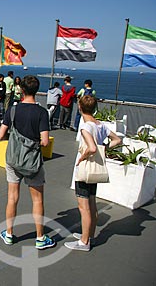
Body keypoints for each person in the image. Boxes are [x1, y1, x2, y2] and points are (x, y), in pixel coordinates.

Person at [0, 75, 56, 250]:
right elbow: (45, 141)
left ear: (21, 90)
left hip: (14, 159)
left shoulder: (13, 110)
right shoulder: (41, 112)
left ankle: (8, 234)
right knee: (37, 200)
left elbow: (1, 135)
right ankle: (40, 238)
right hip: (32, 161)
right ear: (37, 91)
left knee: (12, 198)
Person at [65, 95, 121, 251]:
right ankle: (89, 235)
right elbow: (117, 140)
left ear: (80, 108)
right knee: (92, 202)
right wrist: (105, 148)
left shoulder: (86, 127)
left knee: (84, 207)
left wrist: (81, 158)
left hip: (85, 169)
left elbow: (92, 148)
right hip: (95, 168)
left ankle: (84, 242)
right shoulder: (101, 125)